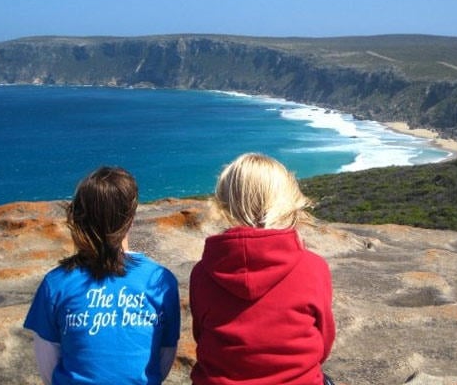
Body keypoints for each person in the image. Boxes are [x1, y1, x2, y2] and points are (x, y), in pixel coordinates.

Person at [24, 166, 181, 385]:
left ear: (79, 217)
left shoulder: (56, 283)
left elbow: (48, 367)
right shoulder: (160, 280)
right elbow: (164, 357)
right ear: (131, 217)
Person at [190, 153, 335, 385]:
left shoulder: (202, 272)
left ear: (225, 203)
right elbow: (323, 344)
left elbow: (201, 336)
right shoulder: (313, 268)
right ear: (286, 200)